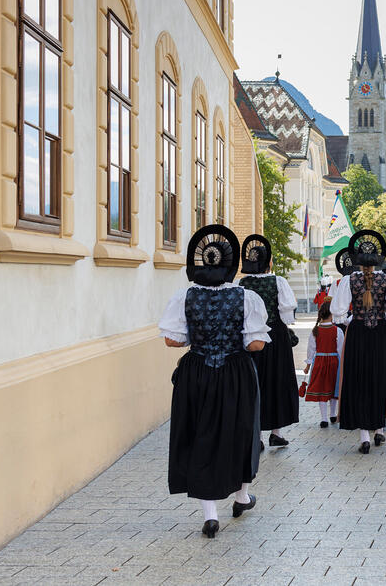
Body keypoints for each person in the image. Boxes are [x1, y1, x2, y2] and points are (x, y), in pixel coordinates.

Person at [159, 225, 269, 538]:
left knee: (201, 435)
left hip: (197, 372)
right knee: (242, 432)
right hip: (236, 372)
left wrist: (199, 337)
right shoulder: (246, 297)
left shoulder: (185, 296)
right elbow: (256, 345)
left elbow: (171, 340)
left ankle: (210, 516)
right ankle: (241, 496)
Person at [329, 230, 386, 453]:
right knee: (380, 379)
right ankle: (379, 429)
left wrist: (353, 320)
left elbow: (338, 314)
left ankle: (364, 435)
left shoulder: (348, 280)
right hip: (381, 332)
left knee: (359, 381)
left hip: (358, 333)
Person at [237, 234, 299, 449]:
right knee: (277, 382)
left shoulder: (241, 283)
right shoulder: (278, 281)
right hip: (275, 337)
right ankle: (276, 433)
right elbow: (287, 315)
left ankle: (258, 437)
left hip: (251, 338)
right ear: (269, 262)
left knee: (256, 382)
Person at [304, 300, 345, 427]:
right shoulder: (337, 331)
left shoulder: (315, 331)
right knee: (333, 388)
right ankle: (332, 414)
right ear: (332, 314)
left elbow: (311, 349)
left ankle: (324, 418)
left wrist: (308, 366)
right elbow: (340, 349)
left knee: (322, 390)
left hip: (319, 362)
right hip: (334, 362)